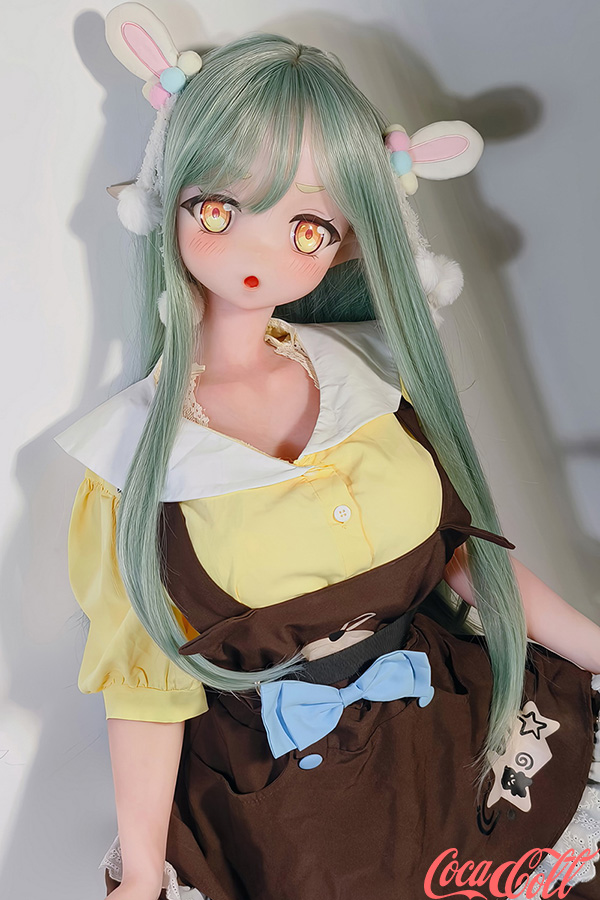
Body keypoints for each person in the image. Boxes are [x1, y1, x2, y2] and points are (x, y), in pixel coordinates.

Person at [56, 4, 600, 898]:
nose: (258, 249)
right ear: (173, 198)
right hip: (290, 814)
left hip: (454, 746)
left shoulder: (369, 377)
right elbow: (147, 687)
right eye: (220, 206)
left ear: (346, 236)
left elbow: (463, 557)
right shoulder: (134, 460)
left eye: (306, 226)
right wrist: (142, 872)